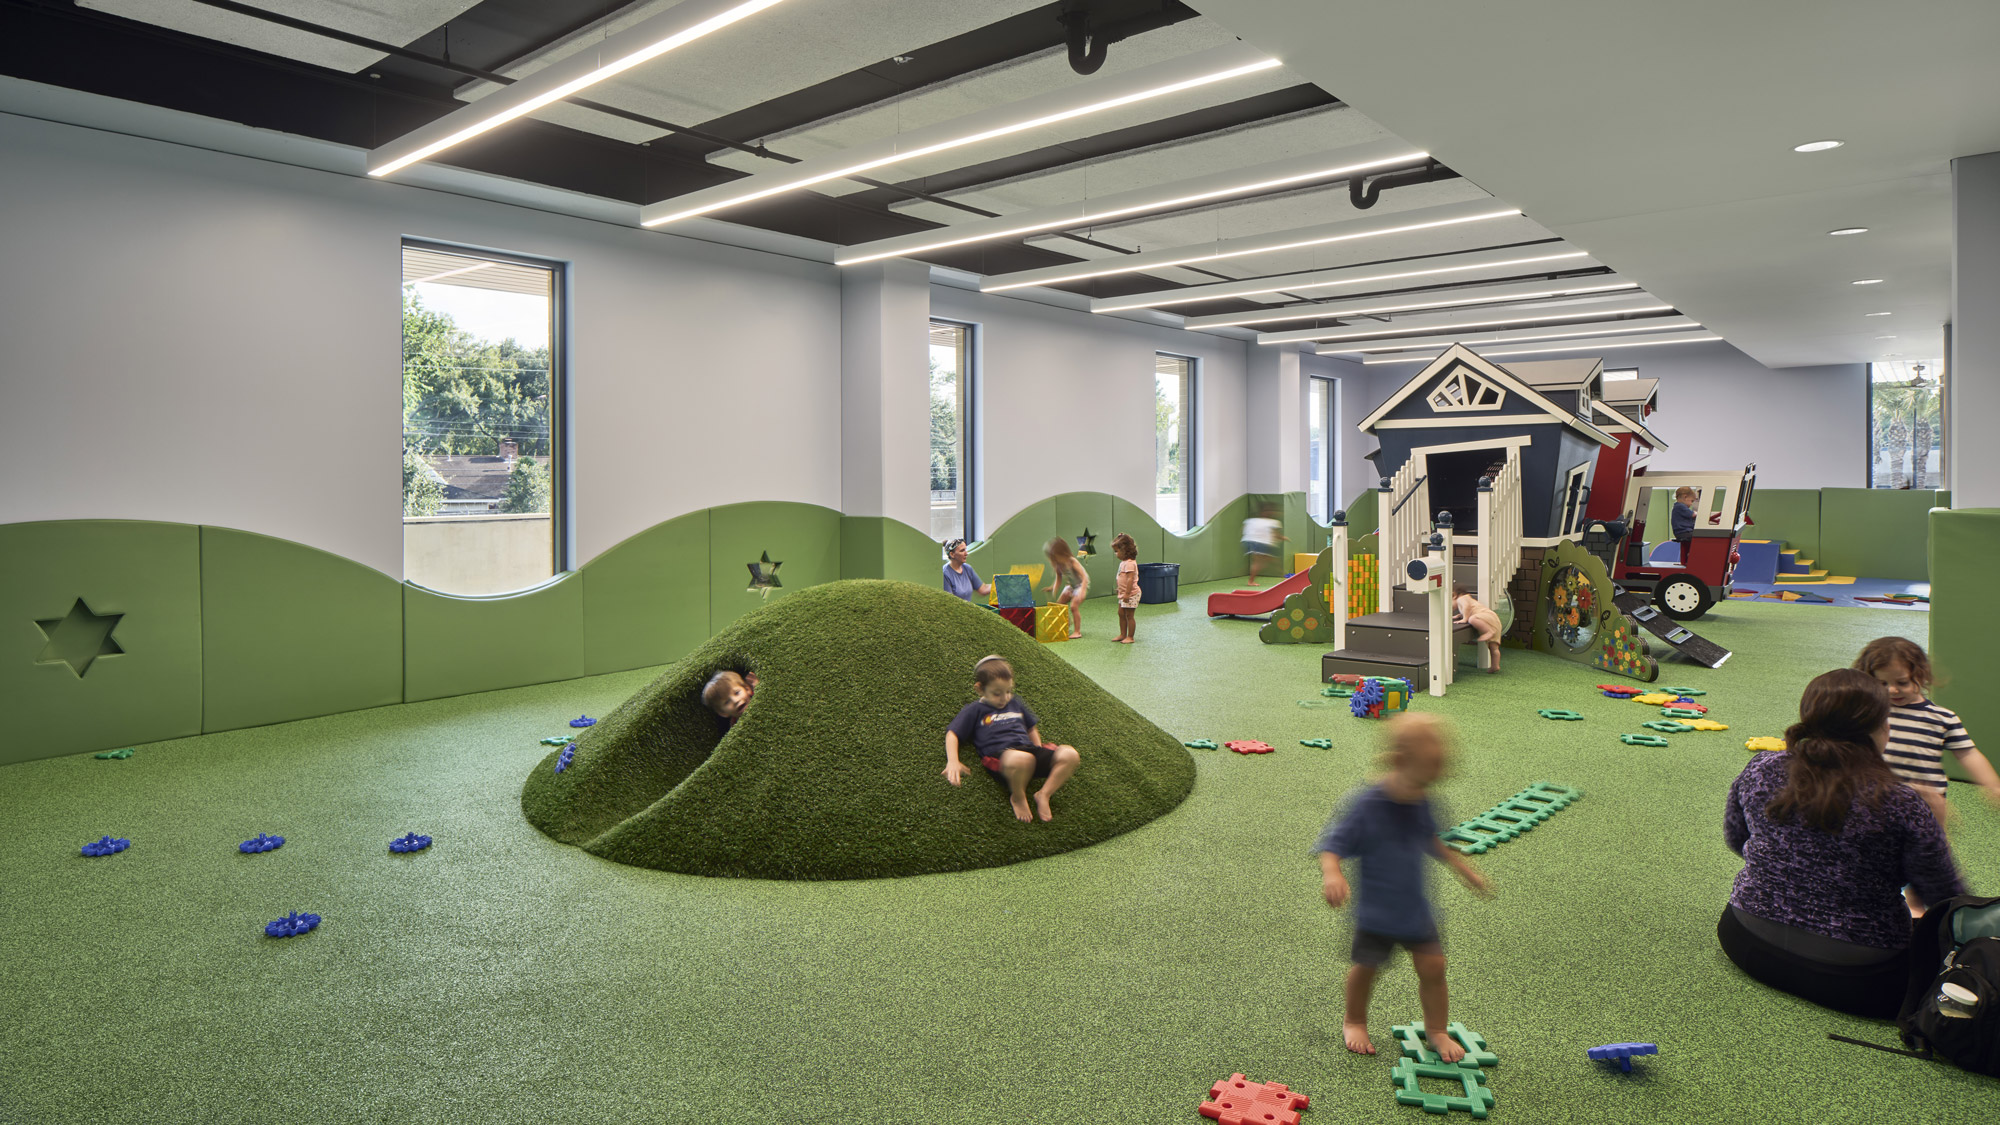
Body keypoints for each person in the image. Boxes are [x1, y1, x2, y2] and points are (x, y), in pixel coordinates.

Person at [1719, 669, 1967, 1018]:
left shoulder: (1760, 767)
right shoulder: (1900, 800)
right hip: (1861, 980)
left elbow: (1736, 838)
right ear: (1880, 728)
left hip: (1744, 939)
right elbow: (1944, 897)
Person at [1314, 713, 1491, 1058]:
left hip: (1415, 908)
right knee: (1367, 968)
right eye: (1429, 769)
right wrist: (1332, 873)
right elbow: (1333, 843)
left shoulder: (1424, 799)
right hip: (1376, 912)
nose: (1433, 781)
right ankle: (1354, 1019)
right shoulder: (1367, 804)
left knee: (1434, 967)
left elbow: (1430, 839)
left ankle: (1437, 1030)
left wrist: (1463, 868)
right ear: (1399, 761)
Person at [1854, 635, 2000, 810]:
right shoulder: (1873, 713)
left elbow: (1967, 754)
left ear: (1922, 675)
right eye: (1882, 683)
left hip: (1926, 803)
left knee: (1930, 837)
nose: (1892, 690)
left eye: (1902, 682)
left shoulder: (1942, 718)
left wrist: (1991, 784)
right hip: (1879, 799)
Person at [941, 655, 1081, 823]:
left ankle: (1043, 794)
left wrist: (1038, 750)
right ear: (979, 689)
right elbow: (952, 733)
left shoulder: (1015, 703)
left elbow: (1031, 728)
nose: (1004, 698)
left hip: (1028, 752)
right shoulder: (975, 710)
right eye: (997, 693)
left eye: (1008, 691)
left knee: (1070, 754)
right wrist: (953, 761)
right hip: (1003, 757)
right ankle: (1018, 796)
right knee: (1022, 759)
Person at [1451, 583, 1503, 673]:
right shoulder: (1466, 599)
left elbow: (1467, 607)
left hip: (1486, 617)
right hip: (1493, 620)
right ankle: (1495, 666)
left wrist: (1465, 619)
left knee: (1472, 619)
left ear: (1454, 595)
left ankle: (1488, 631)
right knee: (1493, 647)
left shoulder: (1461, 599)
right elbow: (1469, 609)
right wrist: (1459, 615)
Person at [1044, 536, 1089, 639]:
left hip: (1081, 585)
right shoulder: (1058, 564)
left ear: (1063, 553)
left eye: (1056, 556)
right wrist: (1053, 588)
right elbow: (1058, 579)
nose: (1055, 559)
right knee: (1059, 606)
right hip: (1071, 586)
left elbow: (1084, 577)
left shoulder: (1072, 561)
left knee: (1073, 606)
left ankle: (1077, 632)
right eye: (1053, 558)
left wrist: (1082, 590)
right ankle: (1067, 622)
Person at [1242, 504, 1286, 586]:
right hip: (1261, 543)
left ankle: (1283, 575)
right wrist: (1283, 538)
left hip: (1248, 541)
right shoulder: (1273, 522)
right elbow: (1276, 535)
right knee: (1260, 562)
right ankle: (1251, 581)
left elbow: (1244, 529)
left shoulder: (1251, 520)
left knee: (1270, 560)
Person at [940, 538, 992, 602]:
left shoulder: (967, 568)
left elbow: (983, 589)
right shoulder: (945, 573)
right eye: (962, 551)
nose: (966, 553)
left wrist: (999, 585)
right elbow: (950, 602)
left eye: (965, 549)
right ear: (952, 554)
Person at [1111, 533, 1140, 644]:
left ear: (1125, 550)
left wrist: (1127, 593)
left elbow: (1130, 580)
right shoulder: (1123, 563)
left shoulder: (1130, 564)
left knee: (1129, 615)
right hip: (1124, 593)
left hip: (1131, 593)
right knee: (1121, 613)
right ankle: (1123, 634)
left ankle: (1130, 637)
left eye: (1117, 551)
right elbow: (1122, 578)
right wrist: (1120, 590)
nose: (1116, 554)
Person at [1670, 486, 1698, 566]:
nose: (1691, 504)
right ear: (1685, 497)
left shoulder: (1678, 506)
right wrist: (1697, 513)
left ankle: (1689, 557)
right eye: (1691, 501)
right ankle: (1691, 557)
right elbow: (1692, 514)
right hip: (1684, 532)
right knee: (1700, 538)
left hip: (1683, 532)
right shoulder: (1680, 506)